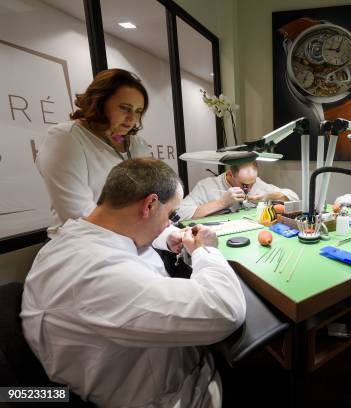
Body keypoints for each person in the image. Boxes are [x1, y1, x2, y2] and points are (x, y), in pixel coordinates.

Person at [21, 158, 246, 408]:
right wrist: (205, 251)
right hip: (177, 393)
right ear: (149, 204)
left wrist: (166, 236)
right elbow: (225, 310)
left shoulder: (69, 238)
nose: (170, 224)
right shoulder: (101, 276)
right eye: (170, 215)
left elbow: (129, 235)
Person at [37, 68, 152, 238]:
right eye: (125, 108)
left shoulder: (138, 144)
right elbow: (78, 213)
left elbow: (150, 194)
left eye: (138, 111)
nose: (132, 118)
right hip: (81, 246)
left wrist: (164, 232)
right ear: (100, 102)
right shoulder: (66, 138)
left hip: (132, 240)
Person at [177, 160, 299, 220]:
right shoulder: (207, 186)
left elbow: (294, 198)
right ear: (230, 175)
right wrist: (221, 203)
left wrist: (269, 195)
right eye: (244, 185)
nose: (249, 189)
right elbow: (179, 213)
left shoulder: (256, 184)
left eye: (252, 183)